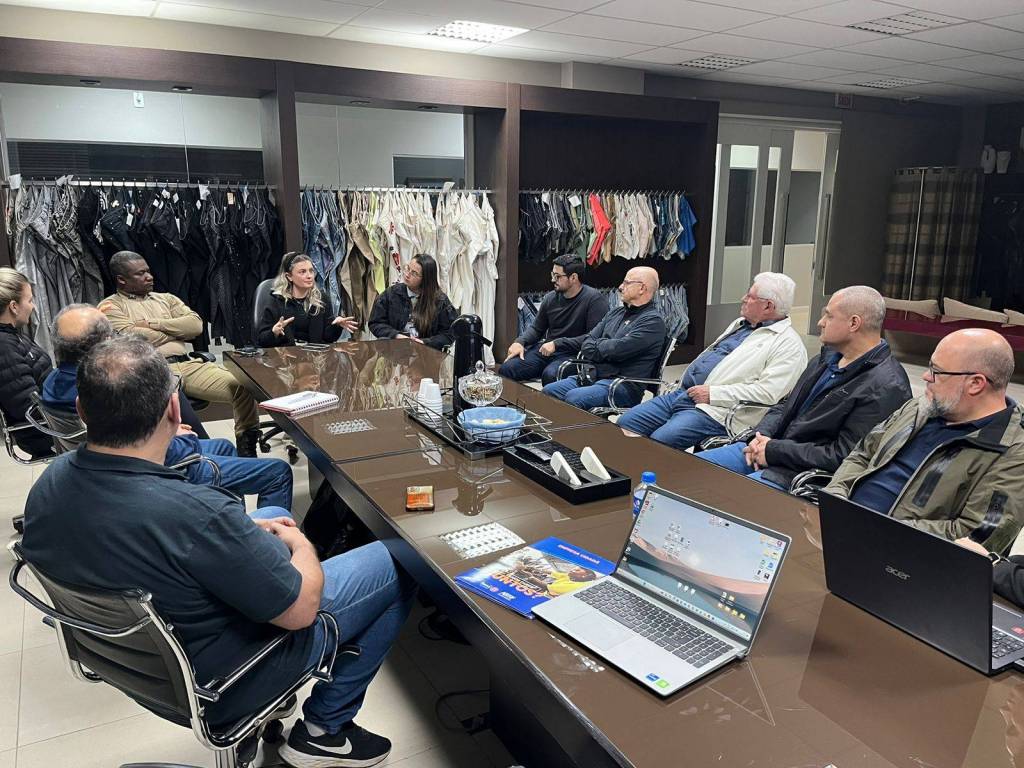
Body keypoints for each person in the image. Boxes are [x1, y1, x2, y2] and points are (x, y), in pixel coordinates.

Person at [21, 336, 414, 767]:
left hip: (135, 668)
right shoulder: (195, 513)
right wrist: (301, 544)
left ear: (81, 410)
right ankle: (325, 730)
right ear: (174, 410)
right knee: (400, 560)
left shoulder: (49, 484)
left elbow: (144, 538)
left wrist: (241, 530)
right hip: (227, 682)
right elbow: (301, 611)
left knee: (273, 519)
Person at [41, 304, 293, 509]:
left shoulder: (52, 383)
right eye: (114, 335)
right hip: (158, 469)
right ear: (105, 343)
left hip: (110, 467)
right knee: (278, 471)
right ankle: (256, 537)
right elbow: (158, 451)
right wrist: (176, 435)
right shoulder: (112, 387)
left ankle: (229, 518)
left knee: (224, 447)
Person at [825, 327, 1024, 554]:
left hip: (901, 556)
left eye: (936, 371)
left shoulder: (1012, 452)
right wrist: (835, 496)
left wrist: (879, 529)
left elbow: (977, 535)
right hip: (842, 528)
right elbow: (864, 453)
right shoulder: (921, 408)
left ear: (975, 383)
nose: (926, 377)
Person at [698, 286, 912, 490]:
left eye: (829, 316)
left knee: (717, 496)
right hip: (770, 448)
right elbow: (784, 405)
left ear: (854, 323)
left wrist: (774, 450)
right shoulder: (826, 358)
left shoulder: (886, 385)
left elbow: (843, 456)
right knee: (691, 471)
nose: (820, 322)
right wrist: (760, 438)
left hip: (798, 473)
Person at [616, 272, 807, 451]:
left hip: (717, 410)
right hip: (683, 394)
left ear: (768, 306)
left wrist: (713, 394)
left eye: (750, 296)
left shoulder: (789, 346)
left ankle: (650, 473)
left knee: (661, 440)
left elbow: (767, 393)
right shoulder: (741, 324)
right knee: (626, 423)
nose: (743, 299)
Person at [98, 251, 261, 456]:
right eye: (140, 274)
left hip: (188, 365)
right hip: (151, 372)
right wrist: (175, 332)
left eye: (148, 271)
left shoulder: (166, 299)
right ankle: (201, 456)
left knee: (242, 387)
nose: (149, 277)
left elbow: (195, 326)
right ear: (121, 279)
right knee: (174, 411)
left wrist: (153, 324)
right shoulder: (110, 306)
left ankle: (247, 450)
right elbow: (134, 338)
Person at [542, 266, 666, 410]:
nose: (620, 287)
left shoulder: (653, 322)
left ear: (642, 288)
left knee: (574, 397)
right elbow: (587, 344)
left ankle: (578, 426)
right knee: (549, 391)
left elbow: (618, 350)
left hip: (622, 385)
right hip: (593, 375)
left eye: (626, 283)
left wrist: (600, 344)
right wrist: (607, 345)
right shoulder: (615, 313)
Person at [499, 254, 606, 386]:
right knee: (507, 368)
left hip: (575, 354)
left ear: (573, 278)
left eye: (557, 276)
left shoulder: (594, 300)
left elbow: (593, 339)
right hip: (547, 350)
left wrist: (557, 344)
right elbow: (536, 328)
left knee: (550, 375)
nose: (552, 280)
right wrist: (520, 342)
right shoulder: (551, 298)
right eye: (552, 275)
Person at [0, 267, 53, 459]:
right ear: (14, 306)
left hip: (51, 422)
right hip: (45, 432)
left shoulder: (11, 336)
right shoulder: (4, 346)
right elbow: (28, 408)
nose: (33, 307)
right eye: (29, 300)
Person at [257, 252, 359, 347]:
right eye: (302, 272)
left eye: (311, 271)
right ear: (289, 277)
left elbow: (328, 338)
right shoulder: (276, 301)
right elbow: (261, 340)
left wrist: (336, 326)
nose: (309, 276)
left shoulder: (321, 299)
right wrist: (274, 333)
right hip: (286, 357)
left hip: (315, 356)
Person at [368, 254, 457, 350]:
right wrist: (396, 335)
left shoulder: (440, 301)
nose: (407, 274)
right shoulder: (392, 294)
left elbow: (450, 333)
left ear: (426, 279)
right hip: (395, 351)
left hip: (426, 353)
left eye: (414, 273)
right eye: (408, 268)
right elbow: (375, 322)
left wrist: (425, 342)